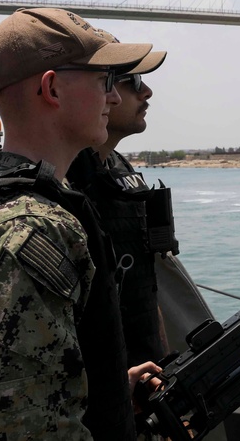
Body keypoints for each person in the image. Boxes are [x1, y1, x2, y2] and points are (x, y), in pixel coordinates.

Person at [0, 8, 161, 440]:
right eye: (103, 80)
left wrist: (110, 390)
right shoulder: (29, 230)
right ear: (52, 88)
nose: (114, 97)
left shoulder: (17, 204)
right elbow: (19, 428)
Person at [66, 34, 174, 368]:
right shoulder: (63, 185)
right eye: (133, 81)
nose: (147, 92)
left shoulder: (121, 169)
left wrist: (163, 360)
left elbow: (143, 281)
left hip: (144, 379)